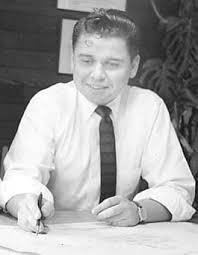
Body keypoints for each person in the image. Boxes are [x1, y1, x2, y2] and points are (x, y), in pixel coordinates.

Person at [0, 8, 195, 233]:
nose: (97, 75)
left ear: (133, 66)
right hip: (57, 235)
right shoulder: (48, 104)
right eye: (86, 61)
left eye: (112, 64)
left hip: (125, 239)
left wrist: (139, 210)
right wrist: (25, 203)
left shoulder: (149, 107)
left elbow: (177, 187)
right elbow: (20, 178)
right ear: (72, 60)